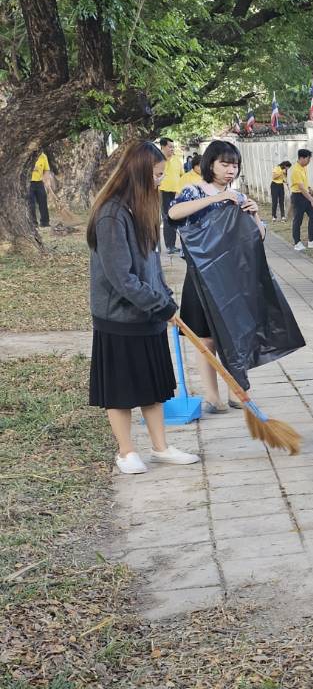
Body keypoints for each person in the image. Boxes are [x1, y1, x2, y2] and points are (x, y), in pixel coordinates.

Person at [86, 140, 199, 474]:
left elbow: (153, 267)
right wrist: (159, 307)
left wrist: (167, 301)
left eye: (162, 174)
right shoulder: (111, 214)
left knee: (154, 386)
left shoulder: (142, 208)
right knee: (120, 389)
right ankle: (125, 451)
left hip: (147, 314)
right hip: (118, 317)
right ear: (137, 173)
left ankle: (161, 447)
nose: (160, 181)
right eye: (156, 174)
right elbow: (121, 278)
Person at [168, 140, 271, 413]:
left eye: (234, 165)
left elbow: (257, 237)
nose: (230, 170)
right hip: (201, 276)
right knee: (205, 338)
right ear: (210, 164)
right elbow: (173, 213)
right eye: (224, 164)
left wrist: (256, 215)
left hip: (233, 278)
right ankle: (211, 396)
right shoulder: (193, 191)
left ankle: (238, 392)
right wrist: (217, 198)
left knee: (236, 333)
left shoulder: (238, 197)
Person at [289, 148, 313, 251]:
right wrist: (311, 200)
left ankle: (312, 240)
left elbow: (304, 185)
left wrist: (309, 188)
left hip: (306, 195)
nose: (309, 161)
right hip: (298, 197)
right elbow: (300, 188)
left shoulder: (303, 167)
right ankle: (297, 243)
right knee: (298, 220)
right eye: (308, 159)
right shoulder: (295, 170)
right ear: (302, 158)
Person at [158, 137, 184, 255]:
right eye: (170, 147)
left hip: (176, 193)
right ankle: (170, 245)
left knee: (176, 217)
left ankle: (174, 244)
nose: (172, 149)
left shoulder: (177, 160)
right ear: (163, 147)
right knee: (167, 218)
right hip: (163, 192)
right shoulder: (158, 160)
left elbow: (182, 175)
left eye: (173, 147)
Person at [28, 152, 53, 228]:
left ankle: (45, 222)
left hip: (39, 182)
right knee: (31, 204)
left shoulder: (43, 156)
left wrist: (47, 181)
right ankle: (33, 223)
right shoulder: (28, 154)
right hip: (28, 183)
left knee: (43, 202)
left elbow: (46, 170)